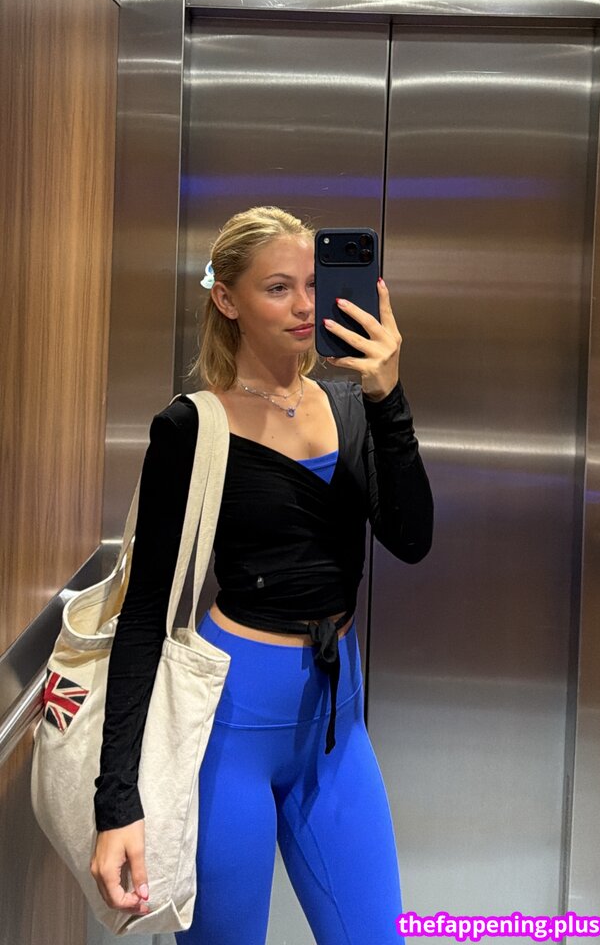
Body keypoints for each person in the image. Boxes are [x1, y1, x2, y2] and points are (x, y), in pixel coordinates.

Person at [90, 205, 434, 944]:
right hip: (231, 731)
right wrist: (116, 803)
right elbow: (145, 616)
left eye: (314, 283)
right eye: (278, 288)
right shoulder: (192, 428)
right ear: (227, 299)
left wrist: (389, 399)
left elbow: (412, 540)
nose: (306, 305)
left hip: (339, 731)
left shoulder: (351, 405)